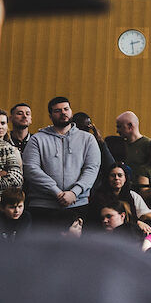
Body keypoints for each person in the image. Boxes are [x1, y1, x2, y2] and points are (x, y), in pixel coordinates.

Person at [21, 95, 101, 226]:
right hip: (43, 205)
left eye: (66, 109)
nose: (63, 113)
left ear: (71, 112)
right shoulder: (37, 139)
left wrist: (74, 192)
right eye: (57, 110)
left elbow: (92, 168)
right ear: (50, 115)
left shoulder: (88, 139)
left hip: (77, 203)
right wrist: (57, 192)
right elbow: (31, 169)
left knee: (74, 246)